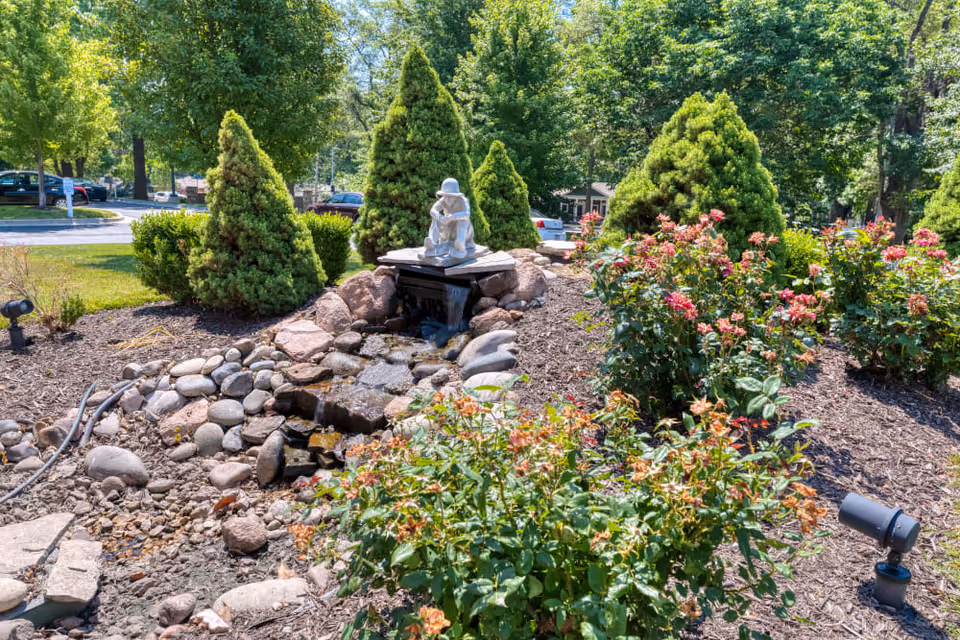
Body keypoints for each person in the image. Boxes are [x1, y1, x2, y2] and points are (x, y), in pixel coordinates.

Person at [423, 178, 475, 259]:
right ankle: (432, 242)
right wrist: (441, 217)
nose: (447, 198)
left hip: (463, 232)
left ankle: (460, 244)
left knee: (463, 220)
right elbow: (432, 210)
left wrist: (453, 217)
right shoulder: (443, 200)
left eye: (450, 196)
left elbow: (467, 214)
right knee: (436, 218)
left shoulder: (463, 201)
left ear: (456, 195)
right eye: (445, 195)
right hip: (448, 230)